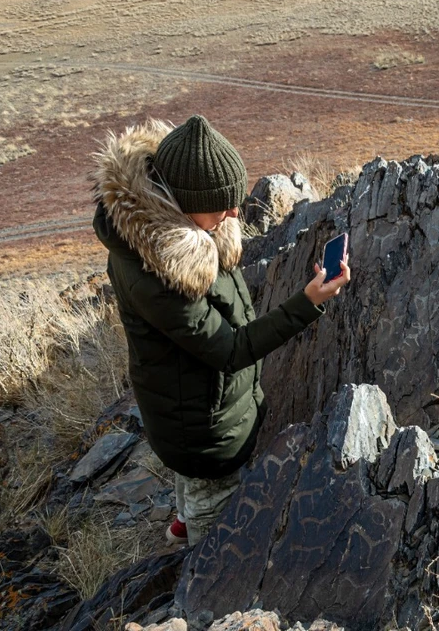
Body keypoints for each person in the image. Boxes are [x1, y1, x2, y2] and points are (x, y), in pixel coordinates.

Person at [91, 115, 350, 545]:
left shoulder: (158, 234)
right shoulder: (161, 276)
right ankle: (198, 560)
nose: (234, 213)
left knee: (192, 481)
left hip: (189, 408)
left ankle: (185, 517)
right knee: (216, 544)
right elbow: (230, 351)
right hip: (204, 433)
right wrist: (308, 303)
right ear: (186, 201)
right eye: (222, 205)